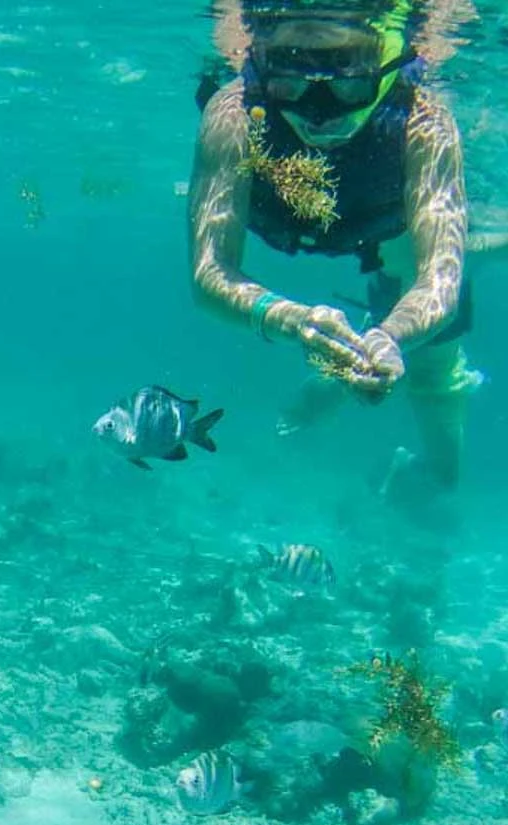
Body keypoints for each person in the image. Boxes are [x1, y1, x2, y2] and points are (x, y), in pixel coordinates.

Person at [190, 0, 483, 501]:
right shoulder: (235, 113)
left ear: (385, 64)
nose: (319, 114)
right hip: (288, 217)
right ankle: (349, 352)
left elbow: (440, 279)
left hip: (391, 231)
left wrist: (392, 337)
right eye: (290, 83)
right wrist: (290, 321)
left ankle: (363, 359)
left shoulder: (423, 120)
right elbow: (209, 270)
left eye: (348, 83)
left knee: (445, 464)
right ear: (262, 63)